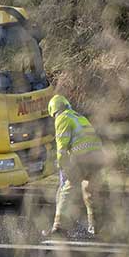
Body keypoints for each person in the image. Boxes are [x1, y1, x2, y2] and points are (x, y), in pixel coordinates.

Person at [45, 94, 104, 238]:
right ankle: (95, 226)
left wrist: (63, 166)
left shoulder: (62, 118)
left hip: (82, 158)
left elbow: (62, 148)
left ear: (53, 110)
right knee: (89, 190)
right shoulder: (79, 117)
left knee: (67, 188)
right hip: (98, 157)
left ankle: (58, 228)